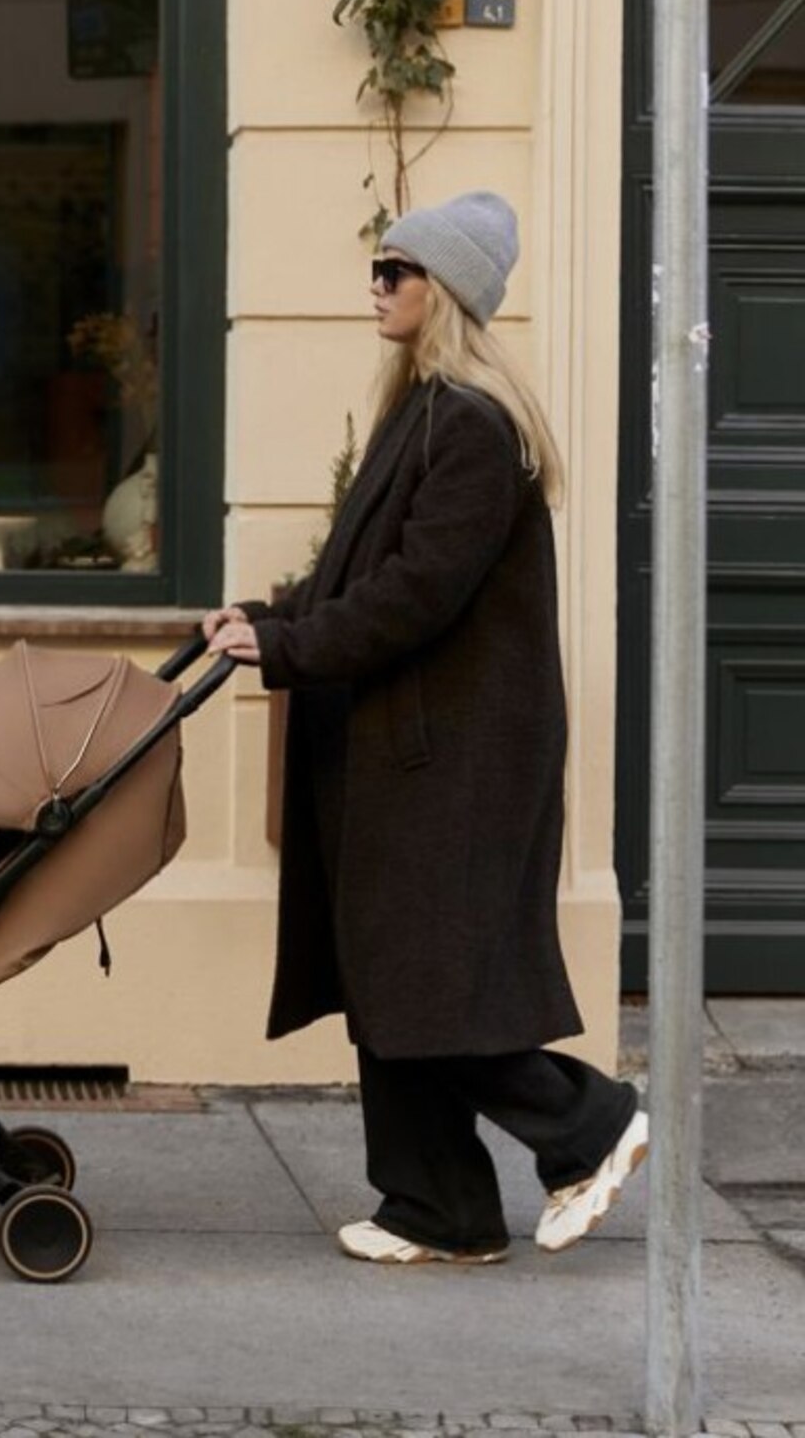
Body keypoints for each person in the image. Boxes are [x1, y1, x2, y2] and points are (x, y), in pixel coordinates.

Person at [204, 190, 648, 1266]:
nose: (375, 285)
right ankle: (437, 1207)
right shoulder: (423, 410)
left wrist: (290, 649)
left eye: (394, 270)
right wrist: (270, 618)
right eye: (377, 265)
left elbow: (416, 595)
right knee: (390, 973)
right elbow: (359, 573)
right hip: (409, 748)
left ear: (442, 290)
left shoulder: (474, 428)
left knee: (425, 985)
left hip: (454, 760)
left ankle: (590, 1122)